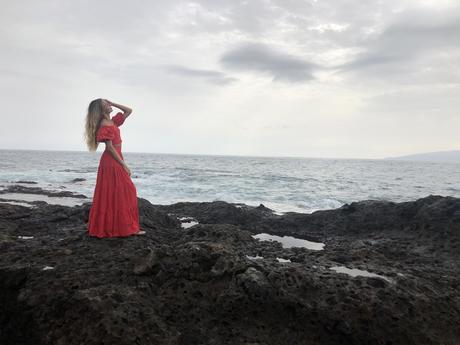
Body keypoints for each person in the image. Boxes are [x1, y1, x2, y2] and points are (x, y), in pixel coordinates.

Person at [84, 98, 145, 237]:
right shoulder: (105, 124)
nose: (108, 105)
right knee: (124, 191)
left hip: (116, 159)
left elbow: (129, 110)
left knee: (121, 193)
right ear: (100, 109)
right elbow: (110, 148)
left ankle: (121, 227)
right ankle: (122, 228)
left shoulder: (113, 121)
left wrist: (113, 103)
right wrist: (124, 165)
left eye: (108, 102)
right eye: (105, 104)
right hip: (111, 161)